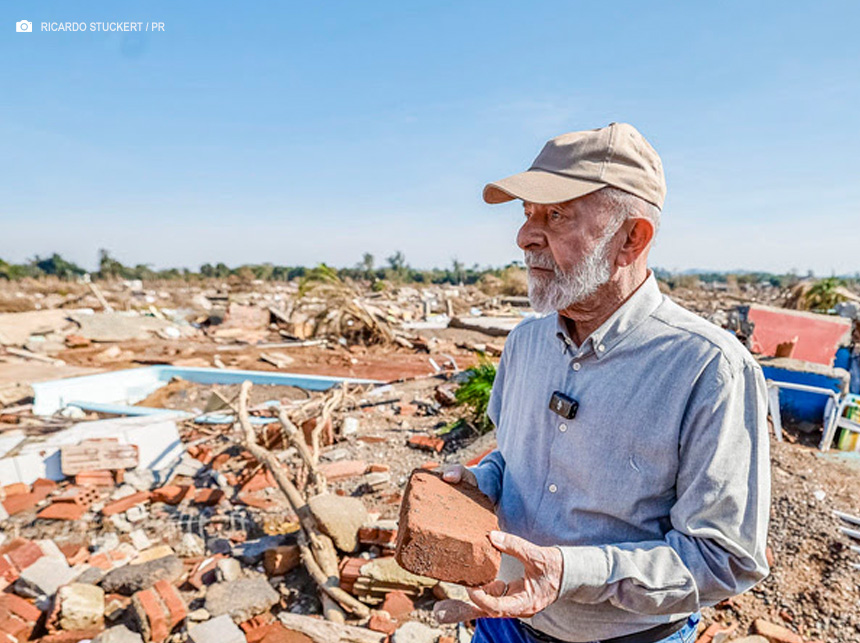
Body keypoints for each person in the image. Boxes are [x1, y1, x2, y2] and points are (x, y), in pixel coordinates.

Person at [434, 123, 771, 643]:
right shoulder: (525, 344)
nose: (525, 237)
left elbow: (722, 558)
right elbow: (515, 456)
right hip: (506, 624)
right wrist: (485, 481)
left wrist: (570, 573)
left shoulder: (708, 368)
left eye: (556, 215)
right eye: (527, 215)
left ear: (631, 238)